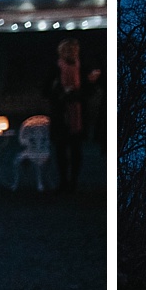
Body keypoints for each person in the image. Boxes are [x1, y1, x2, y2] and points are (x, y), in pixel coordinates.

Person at [43, 38, 98, 193]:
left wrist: (84, 88)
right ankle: (63, 181)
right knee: (61, 150)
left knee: (76, 150)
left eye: (74, 50)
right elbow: (45, 90)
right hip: (61, 114)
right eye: (68, 50)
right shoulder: (55, 68)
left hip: (78, 115)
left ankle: (73, 181)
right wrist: (60, 93)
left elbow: (89, 92)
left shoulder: (83, 69)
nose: (72, 53)